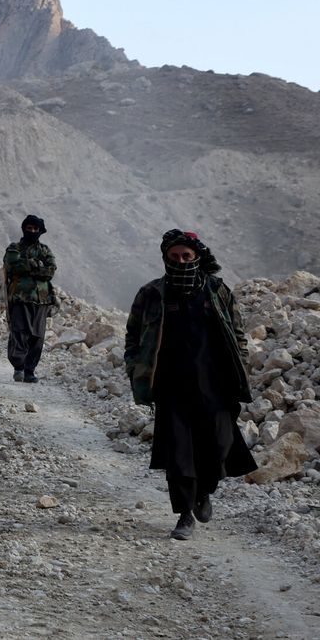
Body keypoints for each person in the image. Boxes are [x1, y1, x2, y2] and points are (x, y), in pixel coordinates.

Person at [124, 229, 256, 541]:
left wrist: (242, 369)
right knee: (179, 452)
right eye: (174, 257)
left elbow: (238, 334)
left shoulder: (217, 290)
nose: (181, 261)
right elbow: (132, 335)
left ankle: (205, 490)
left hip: (215, 383)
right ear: (166, 258)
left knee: (219, 443)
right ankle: (185, 514)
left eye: (186, 256)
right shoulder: (152, 294)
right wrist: (136, 368)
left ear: (197, 256)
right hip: (171, 385)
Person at [2, 214, 56, 383]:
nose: (32, 231)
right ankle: (18, 367)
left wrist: (28, 266)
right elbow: (12, 265)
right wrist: (35, 265)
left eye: (35, 229)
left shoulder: (45, 250)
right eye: (29, 228)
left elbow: (50, 270)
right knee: (20, 333)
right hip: (20, 297)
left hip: (42, 300)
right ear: (24, 229)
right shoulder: (14, 248)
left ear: (40, 231)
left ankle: (30, 370)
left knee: (37, 336)